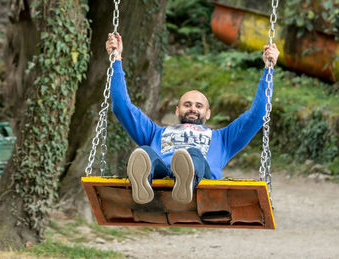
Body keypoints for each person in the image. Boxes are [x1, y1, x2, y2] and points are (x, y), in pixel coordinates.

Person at [106, 33, 279, 205]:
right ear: (177, 110)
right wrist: (116, 59)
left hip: (200, 177)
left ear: (208, 113)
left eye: (199, 106)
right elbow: (121, 107)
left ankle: (187, 181)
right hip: (163, 174)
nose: (192, 109)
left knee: (191, 154)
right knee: (145, 152)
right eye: (187, 104)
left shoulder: (224, 138)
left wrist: (268, 70)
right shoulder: (155, 133)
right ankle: (143, 182)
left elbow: (257, 115)